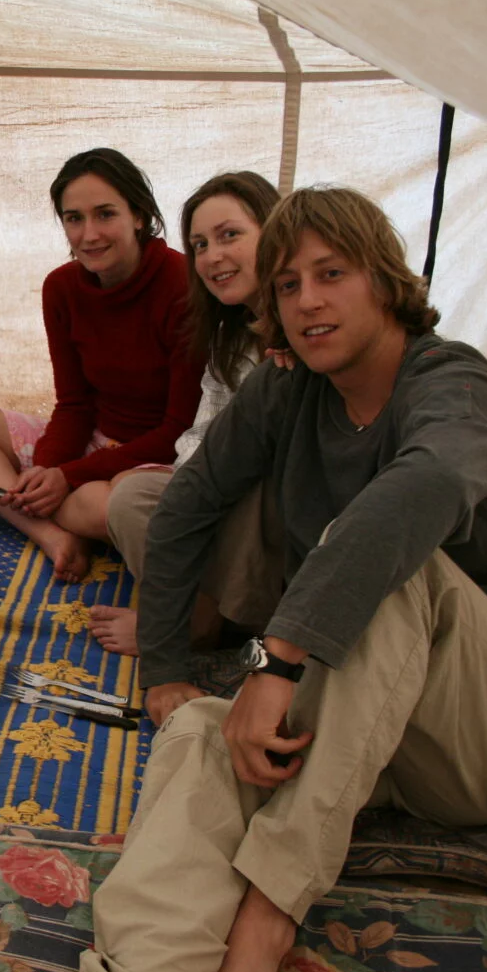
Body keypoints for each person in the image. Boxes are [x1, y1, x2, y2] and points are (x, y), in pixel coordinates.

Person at [70, 186, 487, 972]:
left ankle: (260, 939)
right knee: (206, 729)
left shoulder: (456, 383)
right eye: (287, 284)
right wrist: (163, 670)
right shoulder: (288, 390)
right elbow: (191, 500)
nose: (307, 300)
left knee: (386, 560)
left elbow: (418, 492)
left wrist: (275, 658)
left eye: (331, 274)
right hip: (377, 731)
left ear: (384, 280)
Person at [0, 149, 202, 581]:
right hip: (93, 446)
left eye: (105, 214)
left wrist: (67, 476)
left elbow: (178, 429)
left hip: (152, 463)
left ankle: (0, 499)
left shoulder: (183, 285)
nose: (89, 234)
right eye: (73, 218)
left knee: (111, 506)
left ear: (139, 215)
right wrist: (48, 471)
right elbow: (74, 404)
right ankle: (48, 531)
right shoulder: (61, 288)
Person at [88, 171, 284, 661]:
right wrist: (187, 498)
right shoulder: (228, 331)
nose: (212, 256)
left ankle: (195, 626)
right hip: (221, 490)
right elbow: (201, 431)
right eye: (199, 244)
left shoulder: (305, 329)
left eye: (229, 235)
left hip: (278, 514)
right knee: (130, 497)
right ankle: (199, 617)